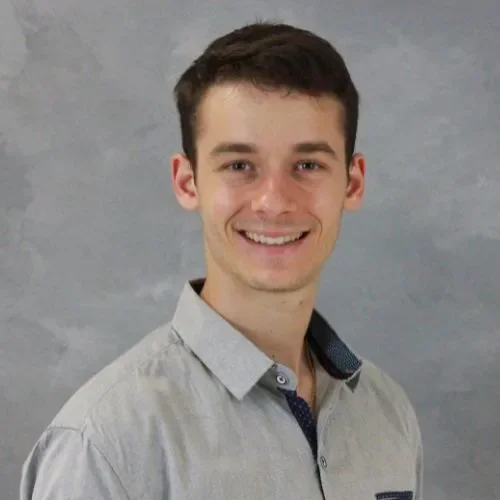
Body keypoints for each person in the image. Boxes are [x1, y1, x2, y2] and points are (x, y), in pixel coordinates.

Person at [20, 21, 423, 500]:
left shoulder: (387, 414)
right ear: (188, 181)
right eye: (239, 166)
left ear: (352, 182)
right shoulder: (105, 446)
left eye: (308, 165)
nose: (274, 201)